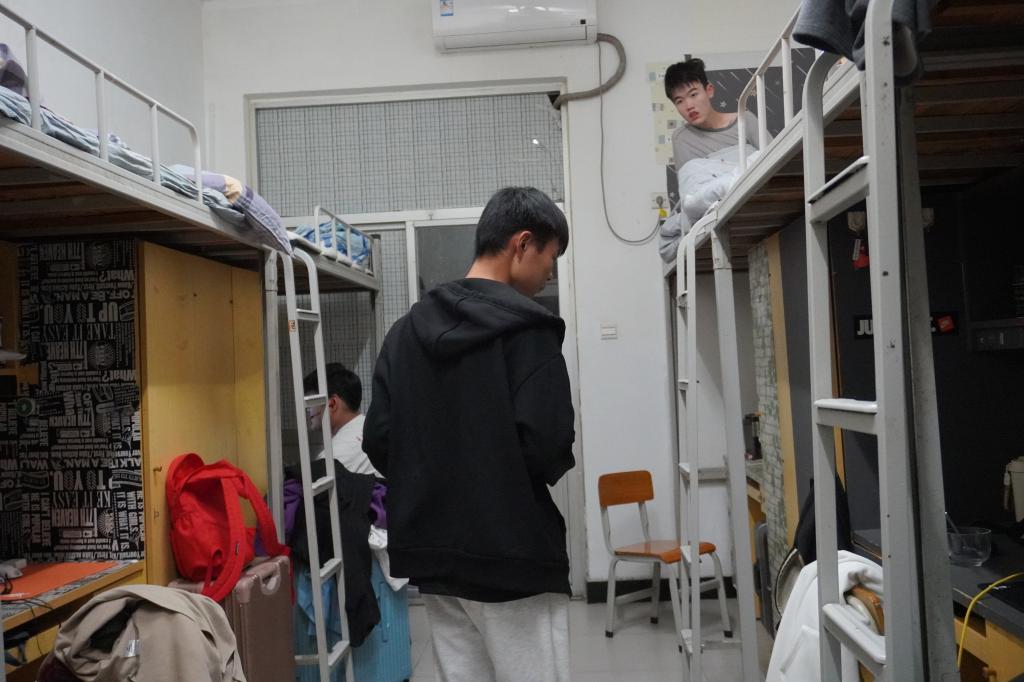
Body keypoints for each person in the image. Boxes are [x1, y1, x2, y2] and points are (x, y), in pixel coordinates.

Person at [363, 186, 576, 682]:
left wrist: (431, 477)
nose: (550, 272)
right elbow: (547, 447)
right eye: (551, 256)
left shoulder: (405, 332)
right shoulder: (530, 333)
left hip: (435, 554)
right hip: (514, 555)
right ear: (523, 243)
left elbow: (379, 438)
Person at [665, 57, 763, 172]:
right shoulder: (682, 139)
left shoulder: (745, 120)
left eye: (693, 94)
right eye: (679, 101)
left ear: (709, 90)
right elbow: (692, 181)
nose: (689, 106)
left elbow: (773, 161)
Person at [304, 362, 380, 477]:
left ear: (332, 404)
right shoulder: (370, 428)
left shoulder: (333, 457)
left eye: (311, 403)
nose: (307, 410)